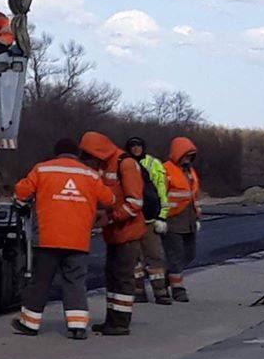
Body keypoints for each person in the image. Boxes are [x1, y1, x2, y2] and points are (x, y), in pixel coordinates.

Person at [11, 137, 114, 340]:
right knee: (75, 282)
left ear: (57, 152)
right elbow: (109, 199)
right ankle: (77, 326)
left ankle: (30, 324)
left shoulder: (42, 170)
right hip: (77, 240)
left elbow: (21, 192)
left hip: (47, 239)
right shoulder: (90, 175)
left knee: (40, 281)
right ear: (76, 154)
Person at [80, 131, 147, 335]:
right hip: (115, 233)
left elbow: (135, 202)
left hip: (128, 232)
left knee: (123, 277)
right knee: (113, 275)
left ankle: (120, 323)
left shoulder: (125, 164)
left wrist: (110, 217)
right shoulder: (105, 165)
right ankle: (113, 319)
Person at [125, 136, 172, 305]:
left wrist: (162, 216)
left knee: (155, 256)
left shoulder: (153, 164)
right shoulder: (124, 164)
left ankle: (160, 291)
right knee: (134, 259)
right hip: (132, 219)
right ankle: (138, 291)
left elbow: (162, 192)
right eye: (133, 146)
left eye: (138, 145)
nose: (136, 148)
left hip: (150, 218)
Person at [162, 136, 202, 302]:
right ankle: (178, 289)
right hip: (172, 219)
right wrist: (160, 218)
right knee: (175, 255)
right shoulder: (165, 170)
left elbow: (194, 195)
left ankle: (163, 277)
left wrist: (197, 215)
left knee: (189, 254)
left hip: (189, 220)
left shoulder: (190, 173)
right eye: (186, 155)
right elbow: (160, 195)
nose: (188, 159)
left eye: (191, 156)